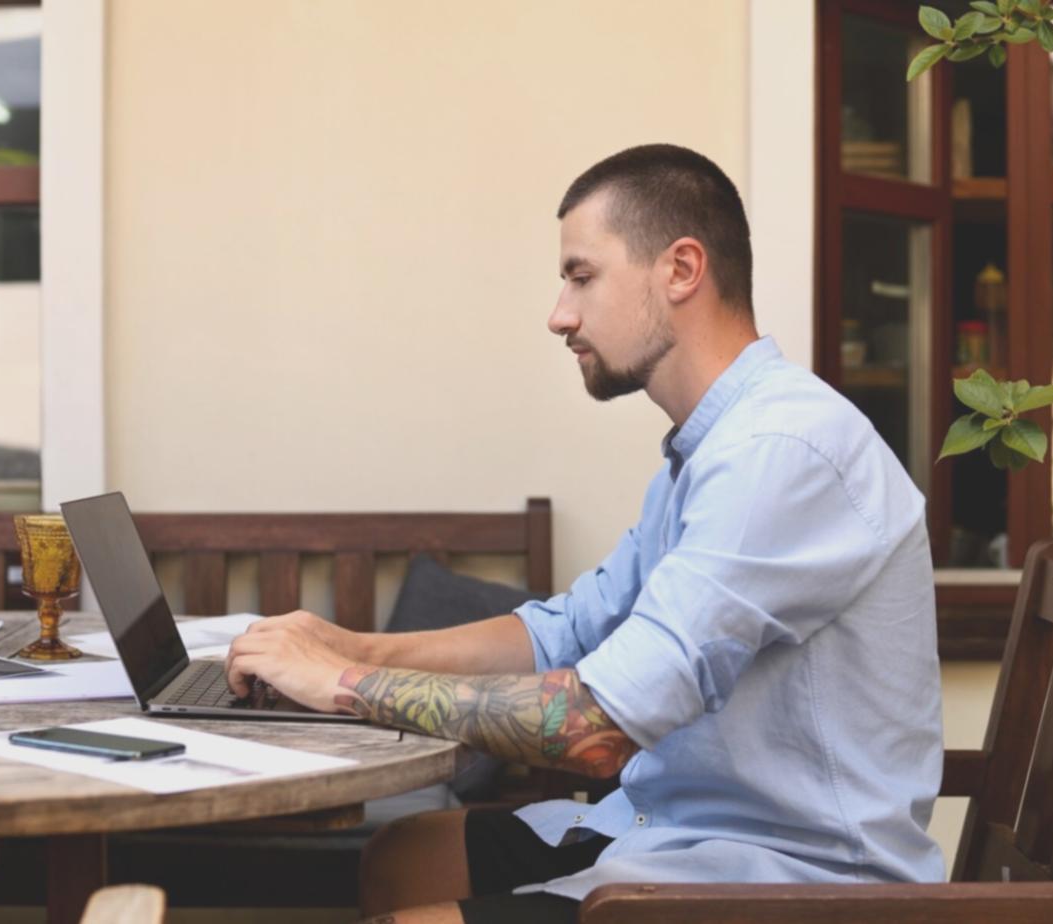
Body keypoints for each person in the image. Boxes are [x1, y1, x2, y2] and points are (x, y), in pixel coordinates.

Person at [224, 144, 944, 924]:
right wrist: (350, 646)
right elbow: (567, 629)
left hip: (791, 884)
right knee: (404, 856)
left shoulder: (780, 452)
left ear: (680, 270)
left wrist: (338, 687)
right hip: (671, 833)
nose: (558, 314)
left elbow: (592, 730)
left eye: (580, 276)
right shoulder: (709, 448)